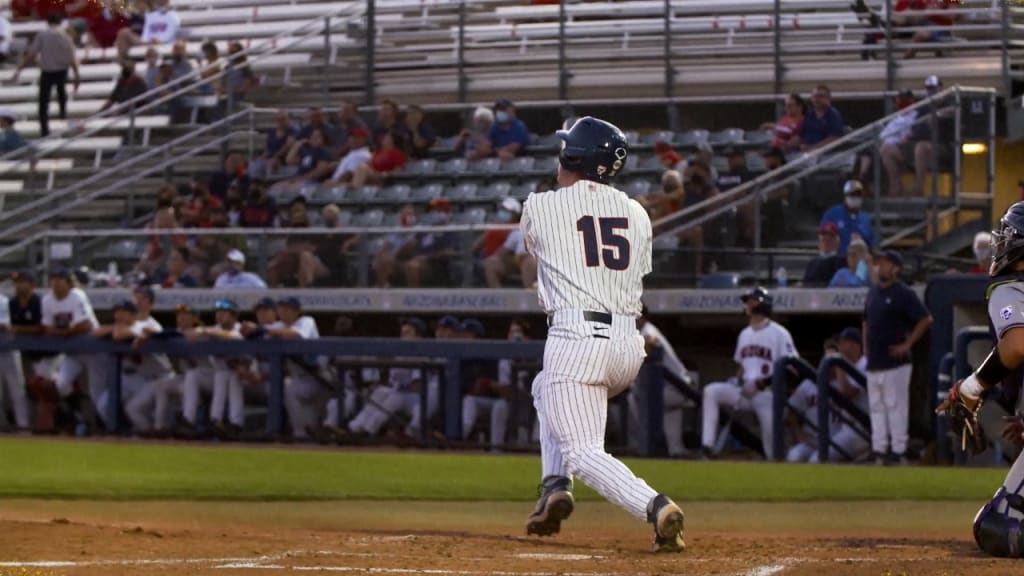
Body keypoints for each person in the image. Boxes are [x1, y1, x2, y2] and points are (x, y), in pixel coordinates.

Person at [519, 116, 685, 552]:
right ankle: (555, 485)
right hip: (627, 346)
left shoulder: (539, 205)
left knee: (584, 452)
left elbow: (532, 254)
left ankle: (656, 506)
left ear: (573, 156)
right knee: (544, 388)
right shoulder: (638, 213)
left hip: (576, 339)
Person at [935, 200, 1024, 558]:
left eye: (1010, 234)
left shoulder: (1010, 286)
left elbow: (1017, 345)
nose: (1002, 241)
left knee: (996, 526)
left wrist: (973, 386)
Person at [700, 287, 798, 461]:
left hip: (768, 394)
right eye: (747, 301)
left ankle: (776, 464)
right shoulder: (744, 334)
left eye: (752, 301)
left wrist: (763, 383)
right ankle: (707, 447)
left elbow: (792, 369)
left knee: (773, 449)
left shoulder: (780, 333)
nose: (747, 305)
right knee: (711, 391)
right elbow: (743, 367)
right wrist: (735, 380)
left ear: (763, 305)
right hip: (744, 391)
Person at [863, 249, 932, 465]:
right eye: (879, 263)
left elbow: (925, 319)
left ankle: (899, 449)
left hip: (896, 363)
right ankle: (879, 449)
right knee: (876, 406)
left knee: (896, 406)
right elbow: (865, 321)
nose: (881, 267)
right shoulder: (873, 292)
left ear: (896, 268)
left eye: (885, 263)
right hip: (875, 361)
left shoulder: (903, 293)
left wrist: (907, 344)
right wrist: (866, 348)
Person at [12, 12, 81, 138]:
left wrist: (19, 69)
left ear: (47, 22)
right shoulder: (66, 35)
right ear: (60, 22)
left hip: (48, 71)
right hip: (61, 70)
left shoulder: (42, 35)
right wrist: (77, 75)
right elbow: (72, 57)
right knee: (61, 93)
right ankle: (62, 116)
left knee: (43, 101)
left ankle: (44, 129)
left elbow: (32, 54)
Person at [820, 180, 875, 255]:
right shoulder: (832, 214)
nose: (855, 198)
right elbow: (824, 239)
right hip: (836, 260)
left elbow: (870, 245)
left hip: (859, 262)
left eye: (858, 195)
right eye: (852, 195)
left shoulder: (865, 219)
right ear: (845, 196)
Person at [800, 84, 844, 152]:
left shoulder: (833, 115)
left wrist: (813, 148)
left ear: (828, 98)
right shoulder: (808, 115)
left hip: (826, 154)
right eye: (815, 96)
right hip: (805, 153)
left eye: (821, 96)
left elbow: (834, 138)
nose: (817, 99)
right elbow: (802, 134)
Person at [802, 222, 846, 286]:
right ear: (819, 243)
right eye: (824, 239)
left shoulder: (842, 261)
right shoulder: (812, 263)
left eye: (830, 240)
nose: (826, 243)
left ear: (837, 243)